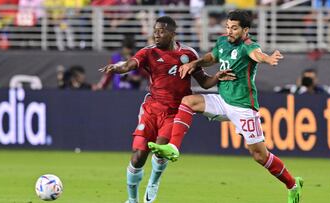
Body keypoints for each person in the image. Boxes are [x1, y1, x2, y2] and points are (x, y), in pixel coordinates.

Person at [148, 10, 303, 203]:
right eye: (228, 27)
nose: (229, 31)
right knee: (189, 101)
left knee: (259, 156)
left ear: (245, 30)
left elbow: (257, 55)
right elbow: (212, 58)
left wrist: (268, 59)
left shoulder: (249, 46)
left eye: (234, 28)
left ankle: (293, 185)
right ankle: (173, 147)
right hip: (223, 100)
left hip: (243, 107)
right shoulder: (222, 41)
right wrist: (194, 63)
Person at [99, 16, 235, 203]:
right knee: (138, 156)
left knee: (161, 149)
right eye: (155, 31)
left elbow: (204, 83)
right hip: (151, 109)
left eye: (161, 31)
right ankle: (132, 200)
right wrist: (117, 68)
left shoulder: (188, 54)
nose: (156, 35)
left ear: (172, 33)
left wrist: (217, 77)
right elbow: (130, 64)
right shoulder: (149, 52)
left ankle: (154, 182)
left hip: (175, 112)